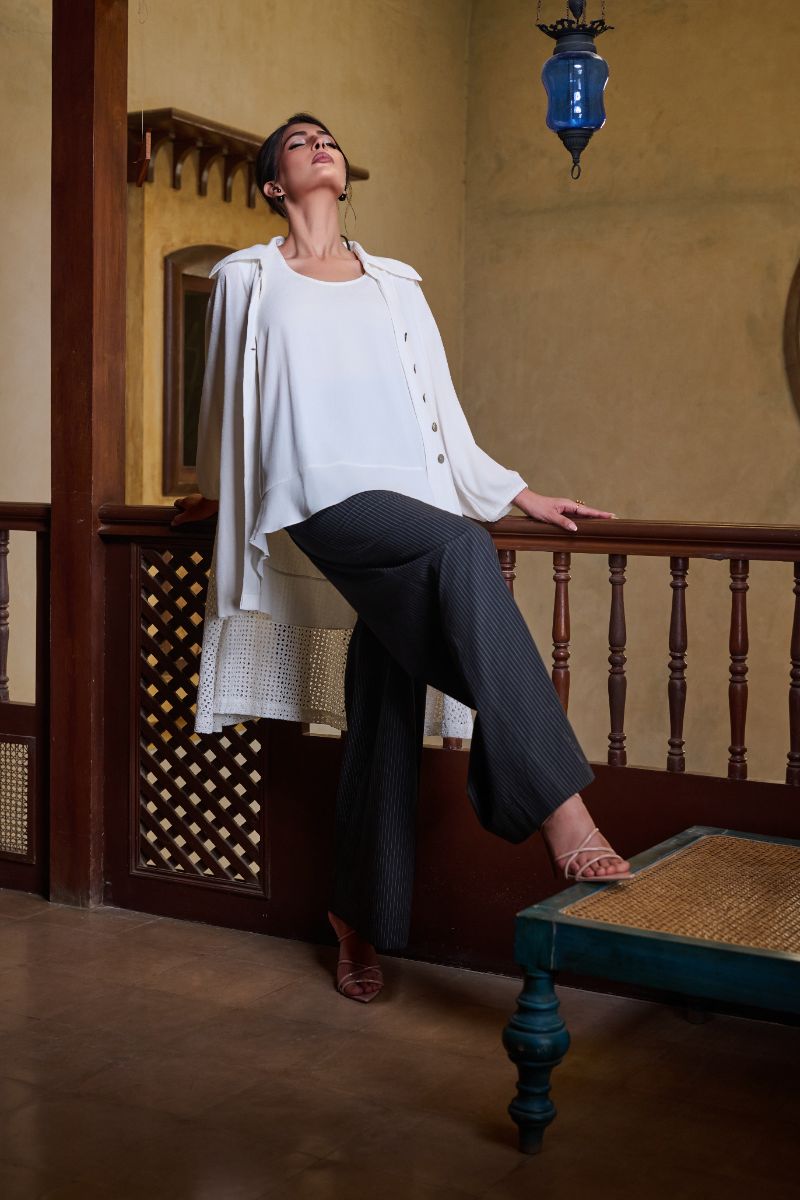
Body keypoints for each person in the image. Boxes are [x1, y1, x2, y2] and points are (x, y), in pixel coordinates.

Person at [173, 111, 632, 1004]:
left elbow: (441, 411)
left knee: (385, 697)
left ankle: (357, 919)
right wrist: (221, 495)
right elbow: (225, 399)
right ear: (273, 184)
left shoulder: (396, 285)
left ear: (344, 174)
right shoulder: (248, 277)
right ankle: (558, 809)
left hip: (411, 498)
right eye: (298, 144)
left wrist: (515, 492)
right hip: (318, 497)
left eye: (328, 140)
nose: (319, 147)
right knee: (464, 548)